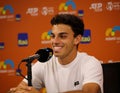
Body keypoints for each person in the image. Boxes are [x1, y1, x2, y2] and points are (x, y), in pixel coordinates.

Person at [8, 14, 103, 93]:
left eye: (62, 36)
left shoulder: (90, 63)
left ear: (77, 39)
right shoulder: (44, 63)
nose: (55, 41)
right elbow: (21, 89)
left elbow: (88, 92)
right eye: (53, 36)